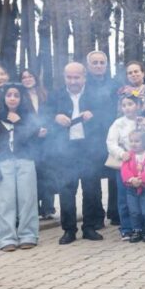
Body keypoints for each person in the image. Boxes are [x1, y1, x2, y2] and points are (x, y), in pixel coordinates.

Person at [47, 62, 105, 244]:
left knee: (91, 190)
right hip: (66, 149)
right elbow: (43, 116)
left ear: (84, 77)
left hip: (89, 149)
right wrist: (54, 118)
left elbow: (107, 116)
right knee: (66, 190)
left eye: (76, 77)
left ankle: (89, 227)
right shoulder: (55, 96)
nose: (73, 81)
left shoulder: (95, 95)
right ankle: (69, 230)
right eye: (69, 77)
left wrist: (94, 115)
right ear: (64, 77)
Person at [0, 83, 43, 251]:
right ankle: (6, 238)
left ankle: (28, 235)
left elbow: (36, 140)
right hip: (3, 164)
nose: (12, 98)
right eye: (9, 95)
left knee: (27, 200)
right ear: (4, 98)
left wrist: (21, 122)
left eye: (16, 95)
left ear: (21, 98)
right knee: (5, 201)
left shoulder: (29, 118)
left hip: (25, 161)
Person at [106, 95, 145, 241]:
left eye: (130, 104)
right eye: (124, 105)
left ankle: (142, 226)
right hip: (126, 164)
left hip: (142, 163)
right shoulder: (118, 123)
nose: (127, 108)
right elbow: (111, 142)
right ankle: (127, 228)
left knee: (143, 195)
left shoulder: (143, 121)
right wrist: (121, 153)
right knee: (124, 197)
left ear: (138, 105)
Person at [86, 50, 117, 226]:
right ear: (88, 66)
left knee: (115, 176)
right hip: (91, 139)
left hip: (112, 136)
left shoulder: (115, 85)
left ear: (106, 65)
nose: (98, 66)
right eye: (95, 63)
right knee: (93, 178)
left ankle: (115, 212)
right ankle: (96, 216)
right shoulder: (84, 86)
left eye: (101, 63)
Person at [20, 68, 56, 220]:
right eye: (24, 77)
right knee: (33, 175)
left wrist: (47, 129)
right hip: (30, 142)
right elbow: (21, 119)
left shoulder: (45, 94)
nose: (27, 79)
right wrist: (35, 131)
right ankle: (34, 208)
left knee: (48, 173)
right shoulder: (20, 97)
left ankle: (48, 207)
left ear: (36, 78)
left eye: (30, 76)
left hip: (47, 140)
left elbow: (52, 113)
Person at [120, 129, 145, 244]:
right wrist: (132, 179)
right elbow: (124, 169)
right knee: (134, 210)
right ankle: (137, 229)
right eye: (131, 141)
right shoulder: (129, 156)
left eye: (137, 141)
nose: (133, 144)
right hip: (131, 188)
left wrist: (141, 180)